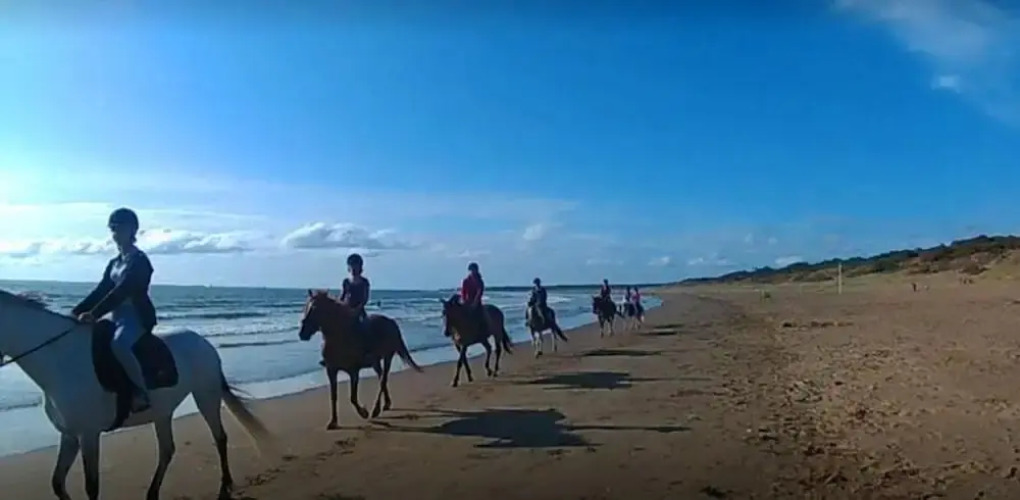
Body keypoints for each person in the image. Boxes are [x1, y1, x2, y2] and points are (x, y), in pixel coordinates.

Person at [71, 207, 156, 412]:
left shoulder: (140, 261)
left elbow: (123, 291)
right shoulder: (115, 263)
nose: (116, 233)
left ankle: (141, 391)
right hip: (116, 316)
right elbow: (101, 291)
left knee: (119, 344)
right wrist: (75, 312)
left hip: (136, 317)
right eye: (113, 229)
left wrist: (94, 314)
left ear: (132, 230)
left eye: (120, 228)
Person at [338, 253, 371, 335]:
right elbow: (342, 296)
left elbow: (365, 298)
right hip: (346, 309)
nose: (354, 268)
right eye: (352, 266)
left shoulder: (364, 282)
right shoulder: (346, 281)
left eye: (356, 266)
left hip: (359, 310)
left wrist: (357, 309)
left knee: (366, 328)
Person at [460, 262, 489, 334]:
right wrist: (464, 300)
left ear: (476, 270)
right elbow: (463, 291)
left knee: (481, 314)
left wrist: (475, 302)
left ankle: (484, 330)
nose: (472, 272)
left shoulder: (479, 281)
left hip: (477, 302)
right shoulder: (466, 281)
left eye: (474, 270)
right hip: (467, 301)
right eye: (471, 270)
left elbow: (479, 292)